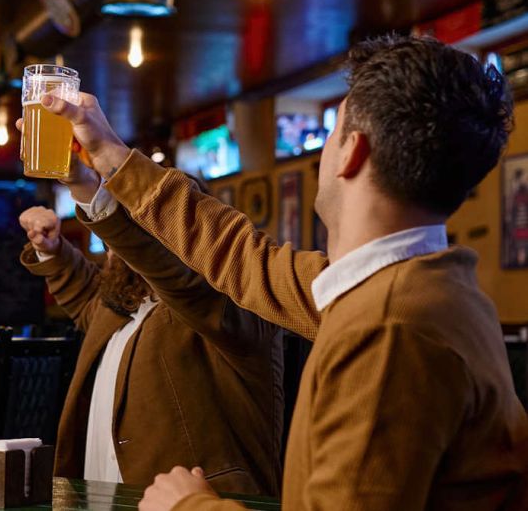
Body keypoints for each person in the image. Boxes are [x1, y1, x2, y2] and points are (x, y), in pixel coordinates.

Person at [34, 35, 528, 510]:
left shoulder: (390, 329)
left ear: (352, 151)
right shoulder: (419, 286)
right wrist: (111, 161)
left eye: (331, 133)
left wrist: (191, 506)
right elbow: (241, 257)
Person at [17, 157, 284, 495]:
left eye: (129, 224)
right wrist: (53, 251)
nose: (114, 242)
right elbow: (89, 298)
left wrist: (91, 194)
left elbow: (181, 281)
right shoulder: (127, 302)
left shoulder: (225, 300)